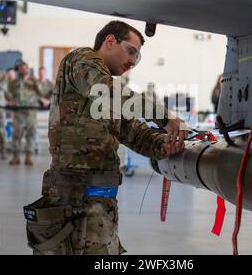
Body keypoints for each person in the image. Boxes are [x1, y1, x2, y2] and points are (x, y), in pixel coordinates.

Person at [25, 20, 188, 255]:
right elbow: (106, 91)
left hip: (100, 205)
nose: (133, 61)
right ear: (110, 41)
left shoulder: (107, 98)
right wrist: (164, 117)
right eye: (131, 51)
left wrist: (165, 144)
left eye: (137, 56)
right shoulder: (81, 60)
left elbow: (133, 133)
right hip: (71, 202)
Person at [8, 61, 42, 166]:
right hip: (18, 113)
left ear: (28, 69)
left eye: (25, 68)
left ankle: (28, 157)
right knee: (17, 135)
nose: (23, 70)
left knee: (31, 134)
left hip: (31, 112)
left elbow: (41, 92)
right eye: (21, 68)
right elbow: (8, 94)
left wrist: (36, 82)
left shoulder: (34, 81)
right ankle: (15, 157)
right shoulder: (13, 82)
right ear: (18, 70)